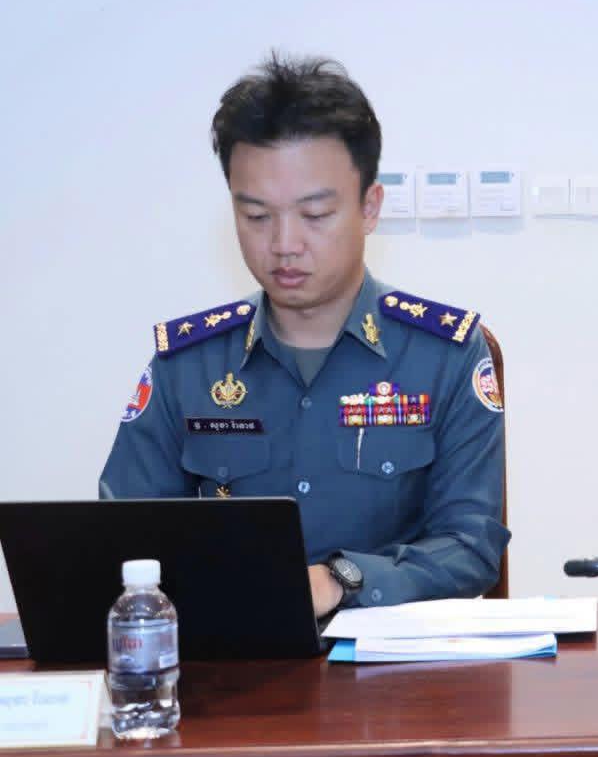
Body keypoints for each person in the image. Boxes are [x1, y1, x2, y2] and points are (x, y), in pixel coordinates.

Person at [99, 54, 509, 617]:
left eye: (314, 215)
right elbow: (122, 538)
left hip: (391, 662)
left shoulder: (446, 355)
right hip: (232, 654)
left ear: (369, 208)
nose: (284, 244)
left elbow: (470, 546)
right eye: (257, 216)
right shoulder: (188, 364)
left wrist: (342, 579)